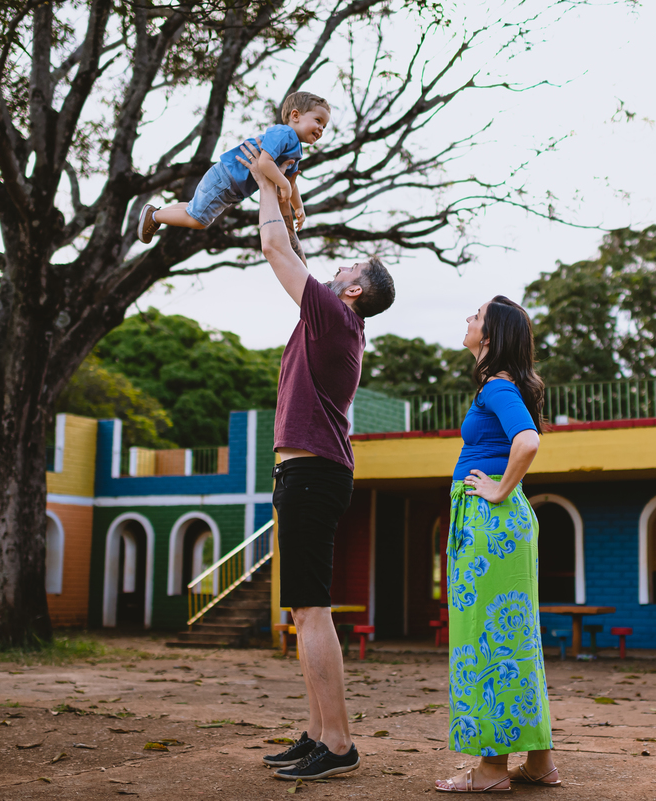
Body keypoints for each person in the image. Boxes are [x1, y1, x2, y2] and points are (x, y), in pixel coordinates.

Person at [234, 141, 396, 781]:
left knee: (312, 609)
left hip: (314, 474)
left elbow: (277, 250)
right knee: (304, 611)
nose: (332, 271)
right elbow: (288, 250)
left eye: (346, 267)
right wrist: (276, 187)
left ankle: (339, 745)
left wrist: (265, 180)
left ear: (352, 289)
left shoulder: (333, 316)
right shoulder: (333, 320)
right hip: (308, 472)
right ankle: (318, 731)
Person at [435, 296, 560, 794]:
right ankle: (538, 762)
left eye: (477, 315)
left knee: (487, 638)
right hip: (500, 524)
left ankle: (490, 769)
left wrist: (499, 488)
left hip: (490, 524)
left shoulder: (496, 385)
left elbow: (526, 441)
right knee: (514, 639)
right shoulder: (501, 385)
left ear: (490, 337)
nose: (467, 318)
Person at [136, 91, 330, 243]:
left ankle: (155, 214)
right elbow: (264, 163)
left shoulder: (295, 149)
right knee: (198, 220)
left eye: (325, 126)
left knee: (193, 210)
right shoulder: (283, 133)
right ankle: (154, 216)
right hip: (226, 177)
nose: (321, 129)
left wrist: (298, 206)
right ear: (295, 115)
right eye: (318, 121)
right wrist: (285, 186)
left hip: (231, 187)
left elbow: (289, 181)